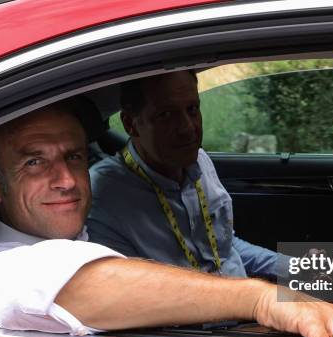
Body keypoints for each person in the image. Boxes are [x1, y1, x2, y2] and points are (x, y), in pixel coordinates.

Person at [0, 101, 333, 337]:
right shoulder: (0, 269)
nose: (67, 180)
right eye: (34, 162)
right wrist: (262, 300)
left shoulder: (196, 165)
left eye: (73, 158)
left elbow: (225, 244)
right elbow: (84, 282)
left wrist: (309, 272)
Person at [88, 71, 282, 279]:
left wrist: (304, 269)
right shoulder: (102, 200)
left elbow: (223, 249)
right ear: (130, 124)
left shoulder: (199, 160)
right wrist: (260, 300)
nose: (187, 128)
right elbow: (136, 300)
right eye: (166, 115)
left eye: (192, 109)